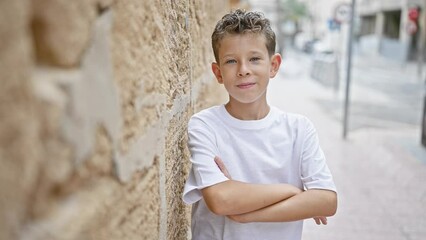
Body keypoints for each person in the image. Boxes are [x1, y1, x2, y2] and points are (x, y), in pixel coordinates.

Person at [182, 9, 337, 240]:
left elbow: (327, 201)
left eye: (254, 59)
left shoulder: (298, 129)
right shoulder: (204, 126)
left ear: (273, 65)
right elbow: (221, 199)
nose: (243, 70)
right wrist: (293, 192)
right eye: (231, 61)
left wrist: (246, 214)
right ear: (218, 72)